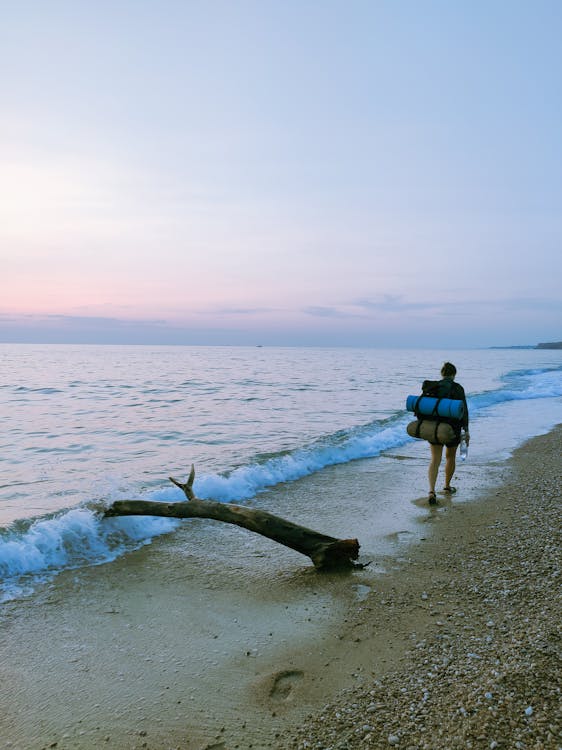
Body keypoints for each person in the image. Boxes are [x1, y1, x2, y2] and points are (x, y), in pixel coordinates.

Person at [427, 362, 469, 505]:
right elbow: (464, 412)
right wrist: (466, 431)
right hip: (452, 429)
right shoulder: (458, 388)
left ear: (442, 374)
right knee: (450, 457)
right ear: (454, 374)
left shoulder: (434, 387)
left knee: (435, 459)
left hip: (434, 429)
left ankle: (431, 491)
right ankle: (446, 486)